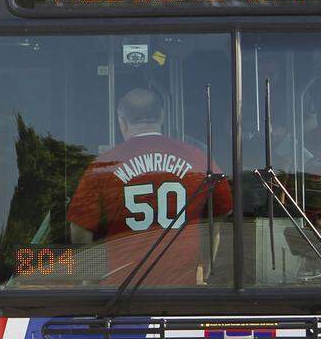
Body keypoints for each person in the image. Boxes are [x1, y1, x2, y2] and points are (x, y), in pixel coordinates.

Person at [66, 87, 233, 286]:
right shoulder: (199, 159)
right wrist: (206, 265)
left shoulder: (103, 167)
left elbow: (79, 229)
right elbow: (219, 216)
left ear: (121, 121)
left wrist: (91, 276)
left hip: (121, 292)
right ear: (162, 115)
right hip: (182, 288)